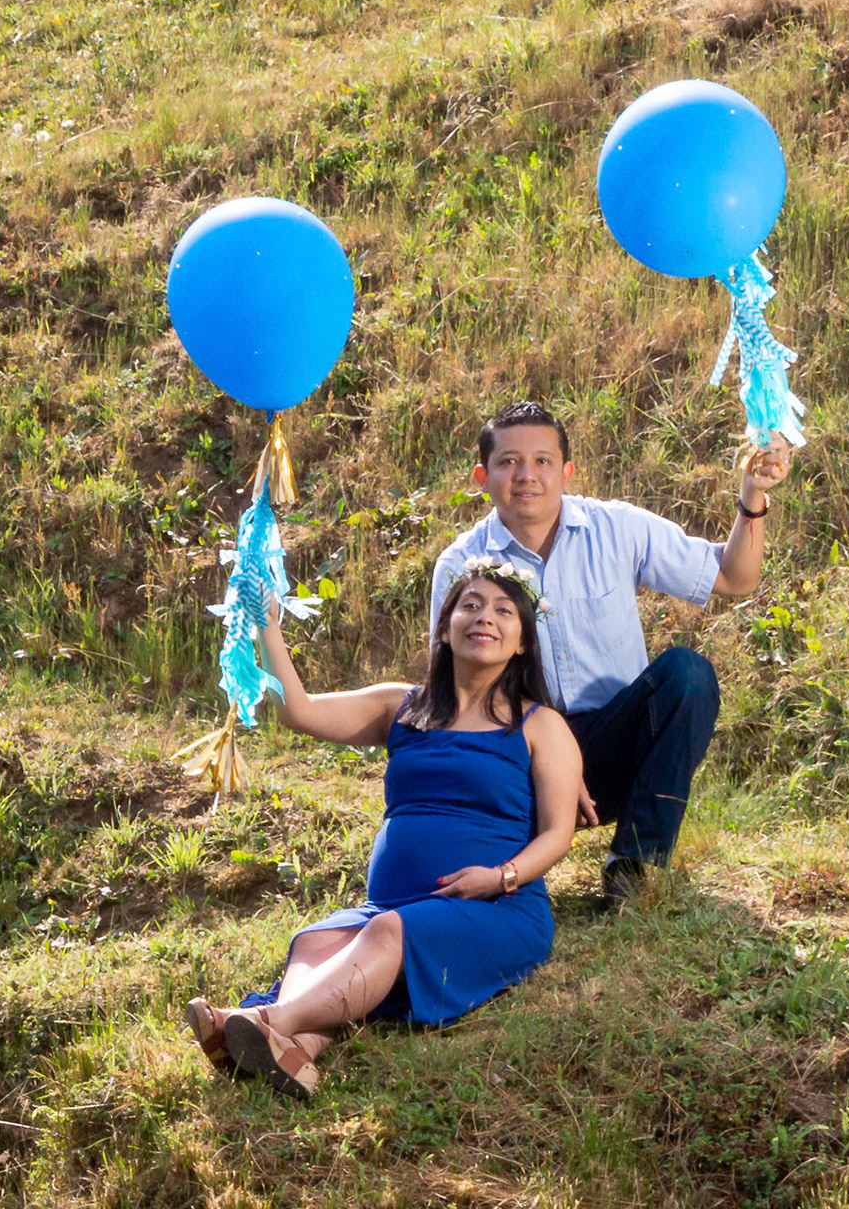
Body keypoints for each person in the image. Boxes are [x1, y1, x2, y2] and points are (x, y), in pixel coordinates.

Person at [182, 558, 581, 1099]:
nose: (484, 617)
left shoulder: (540, 725)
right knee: (317, 939)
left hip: (496, 908)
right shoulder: (403, 706)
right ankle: (297, 1050)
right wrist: (268, 624)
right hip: (391, 907)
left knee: (389, 933)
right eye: (470, 605)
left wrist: (501, 878)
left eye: (503, 610)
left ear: (522, 643)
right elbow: (299, 712)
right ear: (445, 627)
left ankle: (270, 1019)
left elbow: (559, 833)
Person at [428, 400, 794, 907]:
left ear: (568, 471)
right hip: (520, 757)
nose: (526, 476)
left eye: (542, 461)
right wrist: (555, 763)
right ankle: (505, 858)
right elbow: (455, 696)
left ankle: (635, 864)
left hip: (614, 744)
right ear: (482, 476)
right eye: (508, 462)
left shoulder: (618, 527)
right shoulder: (459, 565)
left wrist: (753, 499)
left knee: (686, 675)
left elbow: (735, 577)